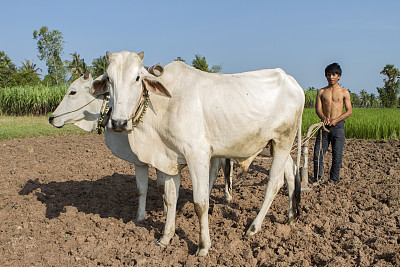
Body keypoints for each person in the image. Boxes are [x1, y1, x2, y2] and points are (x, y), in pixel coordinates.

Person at [313, 63, 352, 184]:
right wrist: (324, 117)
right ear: (326, 76)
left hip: (338, 126)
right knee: (318, 154)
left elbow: (349, 111)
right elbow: (318, 109)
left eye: (334, 75)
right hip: (323, 126)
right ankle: (318, 178)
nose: (331, 77)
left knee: (337, 154)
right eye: (329, 75)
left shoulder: (344, 92)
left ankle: (333, 179)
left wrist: (336, 120)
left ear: (339, 76)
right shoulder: (321, 92)